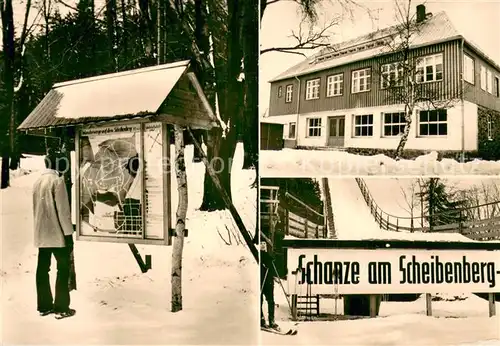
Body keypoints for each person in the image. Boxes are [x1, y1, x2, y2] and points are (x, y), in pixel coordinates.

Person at [33, 150, 76, 319]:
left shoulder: (37, 182)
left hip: (41, 233)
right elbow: (63, 211)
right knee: (63, 269)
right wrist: (68, 235)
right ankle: (61, 307)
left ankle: (44, 305)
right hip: (57, 233)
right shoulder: (57, 181)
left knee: (42, 269)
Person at [260, 241, 278, 329]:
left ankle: (272, 320)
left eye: (264, 244)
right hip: (261, 281)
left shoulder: (269, 255)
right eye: (261, 243)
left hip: (269, 282)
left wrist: (274, 276)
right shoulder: (258, 255)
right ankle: (261, 319)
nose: (263, 245)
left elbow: (272, 267)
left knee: (271, 301)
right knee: (260, 301)